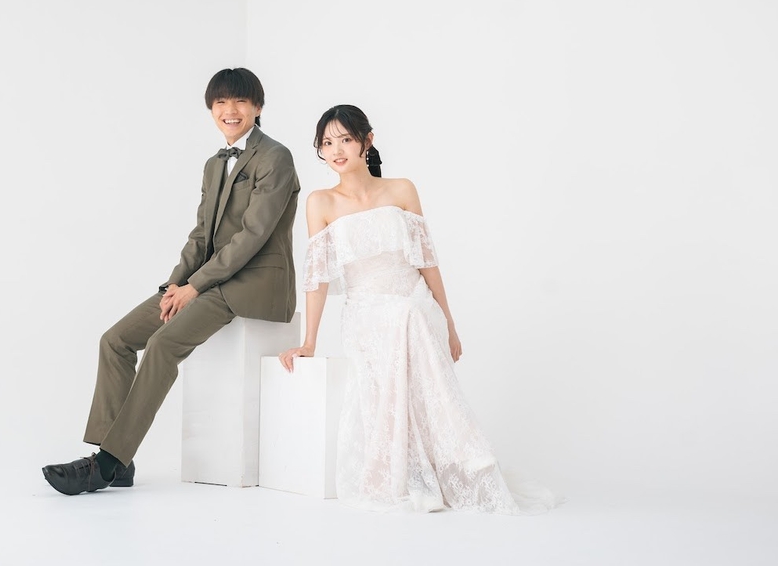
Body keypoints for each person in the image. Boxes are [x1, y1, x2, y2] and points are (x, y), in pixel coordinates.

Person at [279, 104, 557, 514]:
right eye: (327, 143)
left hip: (414, 305)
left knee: (429, 376)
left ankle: (463, 471)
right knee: (386, 395)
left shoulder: (401, 190)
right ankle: (402, 477)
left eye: (346, 139)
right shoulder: (320, 202)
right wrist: (309, 342)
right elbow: (317, 278)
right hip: (366, 314)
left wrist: (449, 322)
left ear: (367, 141)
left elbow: (426, 261)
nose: (336, 150)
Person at [43, 68, 300, 496]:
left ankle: (105, 465)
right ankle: (119, 461)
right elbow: (201, 235)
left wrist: (195, 287)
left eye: (240, 101)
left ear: (258, 107)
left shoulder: (276, 157)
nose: (230, 110)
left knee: (162, 345)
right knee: (115, 341)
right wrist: (173, 287)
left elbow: (252, 236)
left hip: (253, 282)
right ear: (211, 109)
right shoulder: (214, 164)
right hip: (209, 280)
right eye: (220, 102)